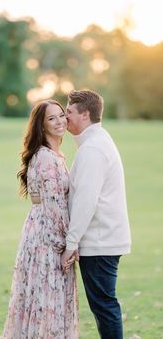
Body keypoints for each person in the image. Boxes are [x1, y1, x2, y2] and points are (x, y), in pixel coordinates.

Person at [2, 99, 79, 339]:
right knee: (47, 300)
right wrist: (66, 245)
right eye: (51, 118)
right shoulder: (45, 157)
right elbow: (54, 206)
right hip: (46, 238)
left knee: (44, 300)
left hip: (43, 231)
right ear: (41, 126)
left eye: (61, 116)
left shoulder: (55, 155)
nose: (59, 122)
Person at [62, 89, 131, 339]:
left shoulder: (93, 149)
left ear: (85, 114)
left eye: (69, 112)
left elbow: (86, 201)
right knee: (103, 306)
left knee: (104, 306)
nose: (64, 117)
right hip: (101, 240)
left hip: (100, 242)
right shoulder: (95, 143)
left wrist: (71, 243)